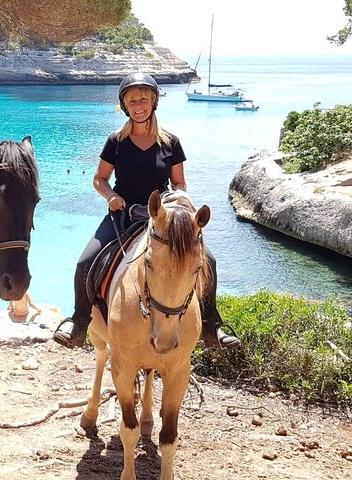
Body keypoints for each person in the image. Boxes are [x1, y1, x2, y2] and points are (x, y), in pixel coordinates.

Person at [53, 72, 240, 351]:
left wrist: (177, 202)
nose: (138, 105)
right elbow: (99, 179)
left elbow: (179, 182)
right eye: (131, 101)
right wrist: (112, 195)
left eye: (143, 99)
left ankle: (212, 324)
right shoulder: (116, 141)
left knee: (207, 260)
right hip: (124, 215)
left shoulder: (171, 143)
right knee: (85, 262)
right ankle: (79, 321)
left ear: (154, 102)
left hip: (162, 217)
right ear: (125, 105)